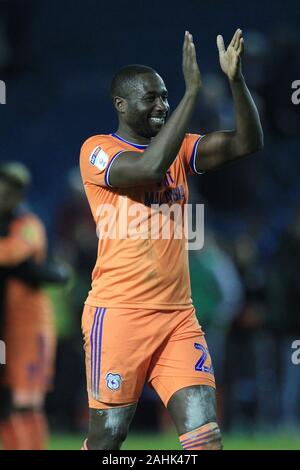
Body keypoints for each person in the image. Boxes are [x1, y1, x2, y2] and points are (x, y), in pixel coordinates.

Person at [79, 29, 263, 450]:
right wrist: (192, 92)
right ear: (120, 105)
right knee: (108, 439)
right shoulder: (98, 150)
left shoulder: (180, 150)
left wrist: (235, 81)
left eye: (166, 95)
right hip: (120, 313)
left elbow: (248, 142)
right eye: (153, 98)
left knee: (205, 439)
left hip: (178, 318)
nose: (162, 104)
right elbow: (147, 169)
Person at [0, 162, 68, 450]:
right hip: (5, 327)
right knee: (5, 400)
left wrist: (57, 273)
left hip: (28, 327)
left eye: (12, 189)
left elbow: (15, 256)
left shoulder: (28, 226)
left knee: (25, 401)